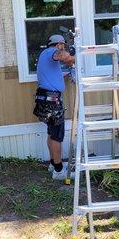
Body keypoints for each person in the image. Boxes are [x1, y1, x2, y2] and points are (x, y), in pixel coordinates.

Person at [34, 34, 75, 180]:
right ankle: (59, 171)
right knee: (57, 136)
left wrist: (66, 74)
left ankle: (53, 164)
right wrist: (74, 59)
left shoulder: (45, 56)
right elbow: (63, 56)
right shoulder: (51, 52)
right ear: (58, 44)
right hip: (52, 101)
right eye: (62, 45)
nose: (63, 47)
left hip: (45, 99)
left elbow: (52, 76)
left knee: (52, 133)